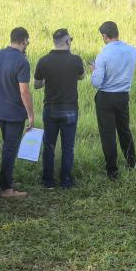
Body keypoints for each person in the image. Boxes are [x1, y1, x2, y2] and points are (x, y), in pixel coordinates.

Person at [33, 28, 84, 189]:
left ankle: (48, 181)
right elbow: (81, 76)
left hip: (51, 108)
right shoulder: (76, 60)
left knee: (49, 145)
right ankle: (66, 181)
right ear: (68, 41)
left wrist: (48, 80)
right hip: (70, 109)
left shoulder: (43, 61)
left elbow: (36, 85)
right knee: (68, 147)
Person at [89, 20, 136, 180]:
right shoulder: (133, 51)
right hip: (123, 96)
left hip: (105, 97)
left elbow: (97, 82)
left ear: (104, 36)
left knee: (107, 133)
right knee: (124, 130)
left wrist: (95, 71)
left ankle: (112, 171)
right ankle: (132, 162)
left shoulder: (103, 55)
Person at [0, 27, 35, 198]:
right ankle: (6, 189)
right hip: (14, 112)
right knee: (10, 149)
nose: (28, 43)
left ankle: (6, 180)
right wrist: (30, 115)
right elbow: (24, 91)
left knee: (8, 146)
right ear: (23, 40)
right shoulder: (22, 62)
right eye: (28, 40)